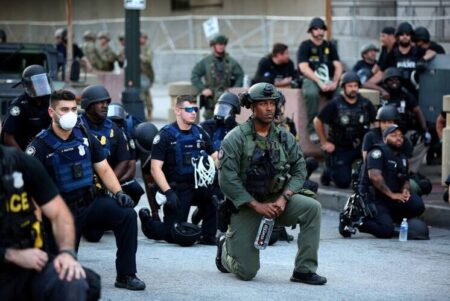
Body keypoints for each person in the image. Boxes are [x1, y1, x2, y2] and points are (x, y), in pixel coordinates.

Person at [26, 90, 146, 290]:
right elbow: (30, 193)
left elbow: (104, 168)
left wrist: (119, 193)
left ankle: (126, 275)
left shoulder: (83, 134)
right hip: (60, 214)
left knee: (127, 215)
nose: (70, 114)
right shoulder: (39, 146)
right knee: (61, 278)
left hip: (90, 203)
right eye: (64, 109)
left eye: (73, 109)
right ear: (51, 112)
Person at [216, 82, 326, 284]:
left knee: (312, 208)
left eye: (272, 103)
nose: (269, 108)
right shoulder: (235, 138)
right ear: (251, 106)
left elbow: (299, 169)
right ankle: (224, 248)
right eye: (262, 103)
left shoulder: (284, 136)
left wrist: (284, 199)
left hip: (277, 202)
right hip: (247, 205)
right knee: (246, 271)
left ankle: (304, 270)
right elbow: (227, 180)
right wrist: (257, 206)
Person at [0, 144, 88, 300]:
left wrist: (67, 253)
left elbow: (60, 213)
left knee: (73, 281)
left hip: (33, 262)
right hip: (10, 260)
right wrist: (11, 255)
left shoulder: (21, 163)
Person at [139, 95, 219, 246]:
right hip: (177, 190)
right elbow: (155, 169)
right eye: (188, 109)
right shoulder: (165, 135)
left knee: (214, 196)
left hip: (198, 186)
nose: (194, 113)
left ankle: (208, 235)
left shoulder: (200, 133)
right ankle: (148, 224)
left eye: (195, 109)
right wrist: (168, 192)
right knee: (173, 235)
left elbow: (215, 157)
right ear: (177, 111)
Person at [358, 124, 425, 238]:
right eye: (393, 135)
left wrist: (405, 190)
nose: (398, 137)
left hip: (391, 198)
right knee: (386, 231)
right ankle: (359, 222)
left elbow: (405, 179)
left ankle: (393, 218)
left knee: (417, 204)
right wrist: (392, 194)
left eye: (400, 136)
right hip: (375, 199)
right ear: (385, 139)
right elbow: (375, 176)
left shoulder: (402, 158)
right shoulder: (377, 152)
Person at [314, 72, 376, 188]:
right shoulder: (334, 104)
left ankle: (358, 172)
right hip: (339, 147)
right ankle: (328, 172)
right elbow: (317, 121)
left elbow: (376, 122)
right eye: (350, 86)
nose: (353, 89)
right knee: (343, 182)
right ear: (343, 87)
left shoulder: (365, 104)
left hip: (359, 146)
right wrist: (324, 142)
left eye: (355, 86)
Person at [297, 17, 343, 141]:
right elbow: (303, 67)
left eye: (322, 28)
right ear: (311, 31)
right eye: (316, 29)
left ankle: (338, 126)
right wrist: (319, 82)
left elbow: (338, 65)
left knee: (340, 95)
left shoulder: (330, 46)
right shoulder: (305, 46)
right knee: (311, 94)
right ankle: (312, 129)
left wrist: (335, 82)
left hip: (329, 80)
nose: (320, 31)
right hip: (311, 79)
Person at [365, 22, 436, 98]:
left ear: (411, 37)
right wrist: (382, 91)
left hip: (416, 94)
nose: (405, 37)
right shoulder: (392, 54)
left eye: (408, 35)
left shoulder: (417, 51)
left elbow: (432, 52)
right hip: (397, 94)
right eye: (402, 35)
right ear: (398, 37)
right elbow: (377, 76)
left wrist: (423, 59)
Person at [191, 34, 244, 119]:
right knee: (209, 125)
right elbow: (195, 75)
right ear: (214, 45)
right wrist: (203, 89)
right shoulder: (206, 61)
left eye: (223, 44)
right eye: (219, 44)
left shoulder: (230, 61)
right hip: (210, 99)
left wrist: (234, 90)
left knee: (227, 123)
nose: (221, 47)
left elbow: (240, 75)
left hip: (227, 98)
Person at [1, 64, 52, 150]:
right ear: (28, 86)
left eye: (42, 82)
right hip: (23, 151)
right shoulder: (19, 105)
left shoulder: (51, 101)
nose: (41, 85)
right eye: (37, 83)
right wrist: (24, 158)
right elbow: (8, 137)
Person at [107, 103, 145, 205]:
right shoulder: (98, 137)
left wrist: (115, 184)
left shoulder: (126, 137)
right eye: (111, 121)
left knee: (136, 190)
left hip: (120, 178)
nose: (115, 125)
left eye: (118, 122)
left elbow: (131, 169)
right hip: (100, 181)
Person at [139, 32, 155, 120]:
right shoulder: (136, 46)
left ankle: (149, 111)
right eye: (141, 37)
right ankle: (142, 111)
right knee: (141, 94)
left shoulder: (147, 48)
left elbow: (148, 59)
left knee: (146, 93)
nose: (142, 39)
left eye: (144, 38)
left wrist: (139, 56)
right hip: (137, 74)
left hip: (146, 74)